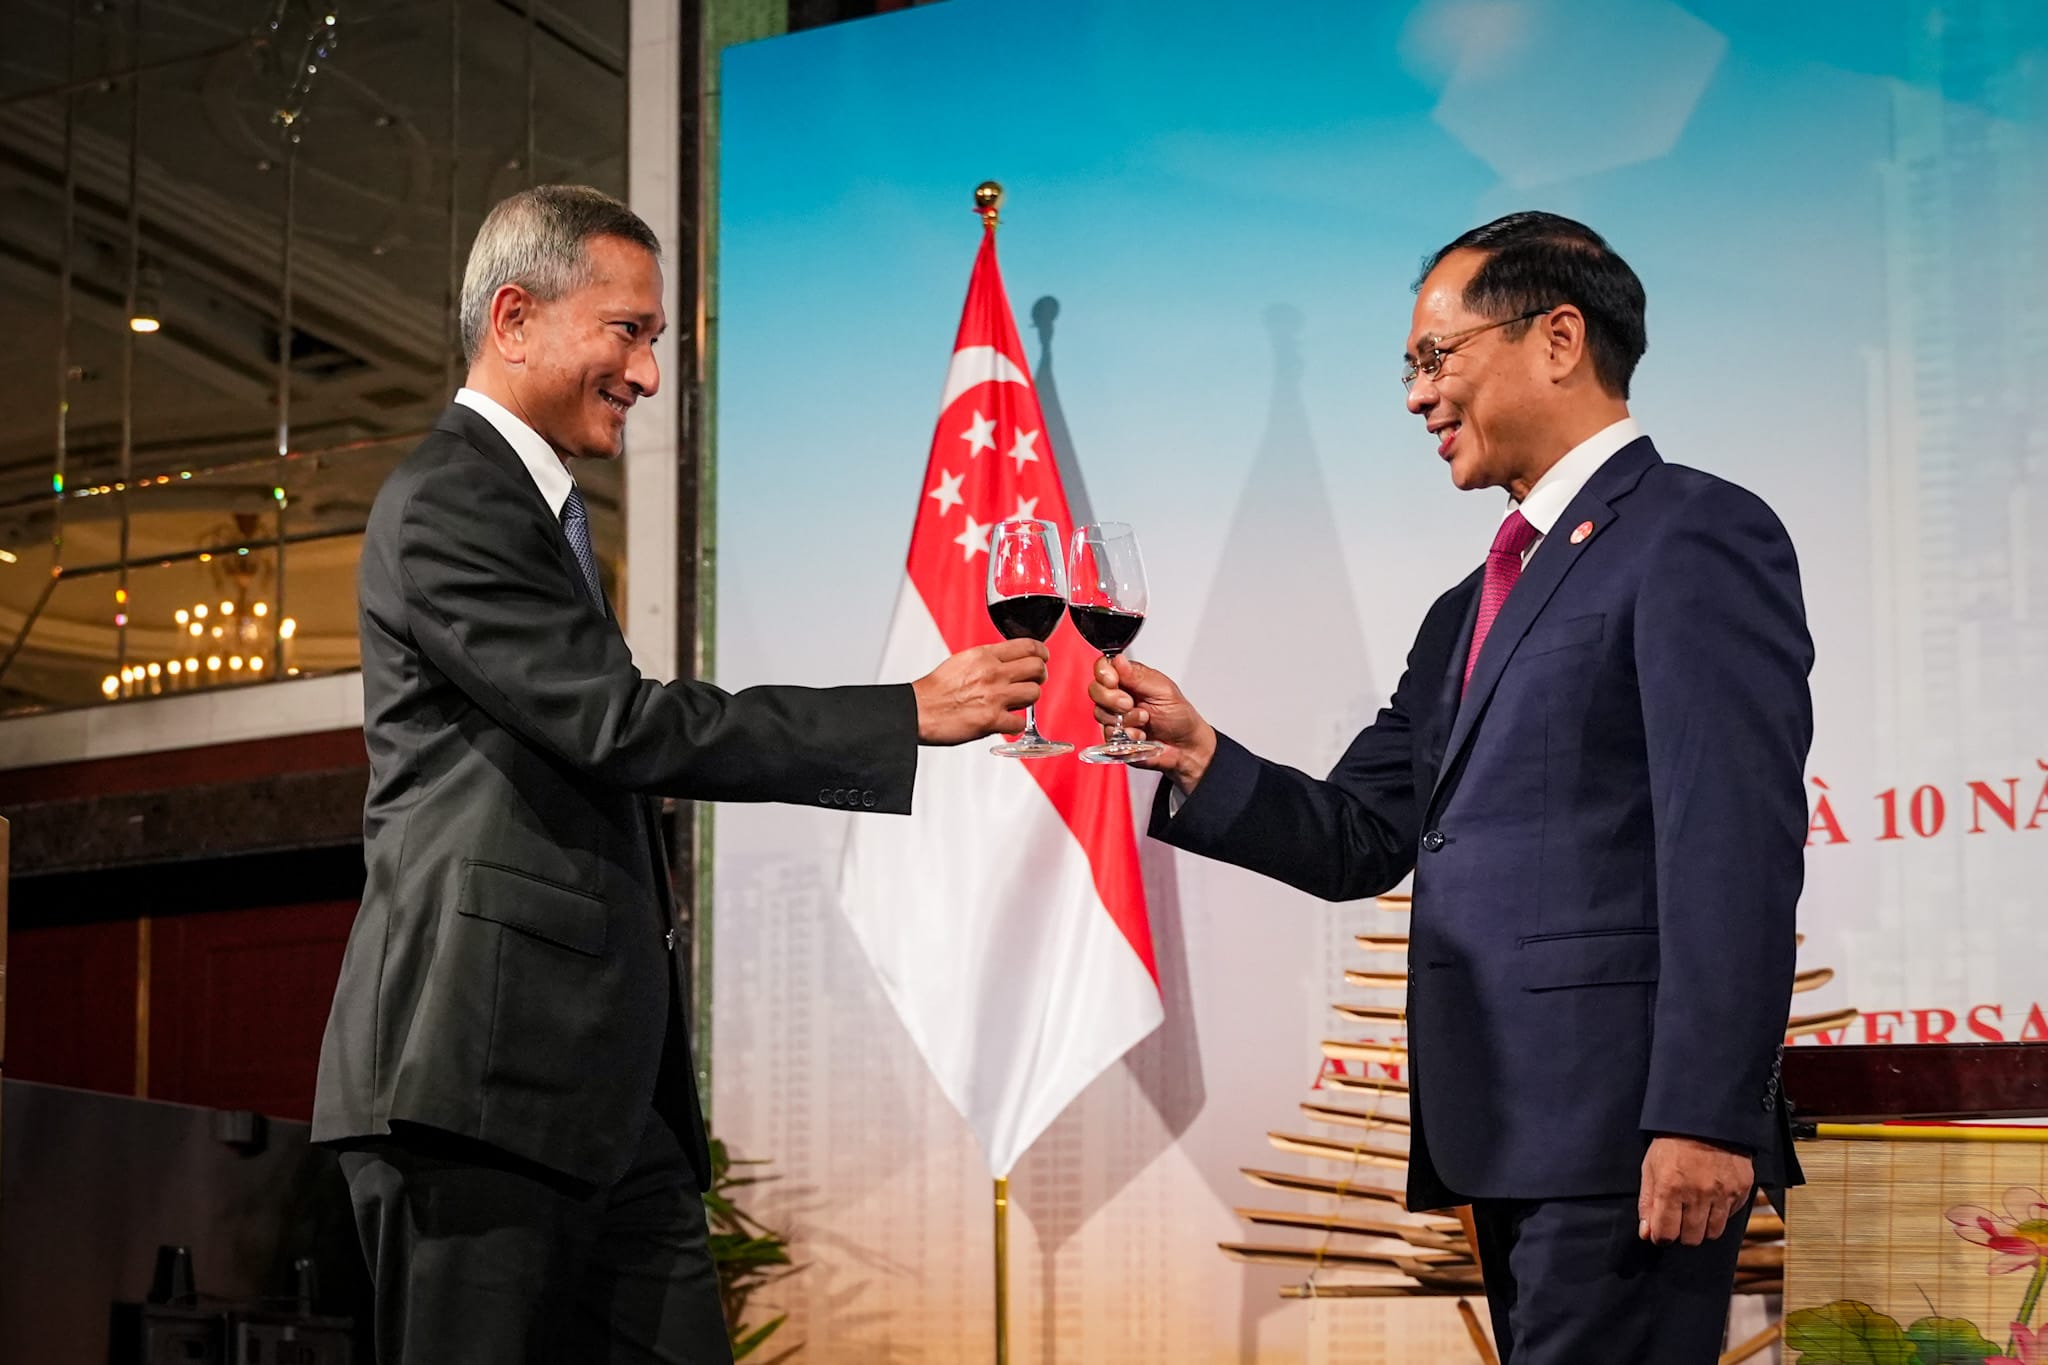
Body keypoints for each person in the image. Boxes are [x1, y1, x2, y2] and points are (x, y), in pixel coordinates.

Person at [312, 184, 1045, 1364]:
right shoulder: (450, 499)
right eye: (629, 332)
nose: (648, 374)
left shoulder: (537, 513)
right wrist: (900, 714)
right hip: (475, 1084)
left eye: (654, 341)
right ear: (514, 317)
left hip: (598, 1099)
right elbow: (618, 725)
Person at [1090, 212, 1810, 1363]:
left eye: (1435, 358)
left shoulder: (1692, 533)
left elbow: (1731, 844)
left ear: (1558, 339)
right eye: (1409, 369)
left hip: (1627, 1134)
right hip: (1506, 1134)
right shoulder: (1465, 606)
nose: (1416, 396)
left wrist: (1700, 1115)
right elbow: (1359, 837)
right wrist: (1197, 754)